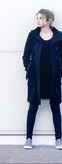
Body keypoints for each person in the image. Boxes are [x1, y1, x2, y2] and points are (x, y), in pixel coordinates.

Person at [22, 9, 62, 150]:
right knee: (32, 107)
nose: (38, 20)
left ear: (48, 21)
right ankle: (28, 139)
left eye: (41, 18)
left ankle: (58, 139)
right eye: (37, 18)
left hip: (53, 78)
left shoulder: (59, 37)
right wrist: (29, 69)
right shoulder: (33, 36)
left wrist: (60, 72)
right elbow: (25, 55)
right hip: (36, 78)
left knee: (55, 107)